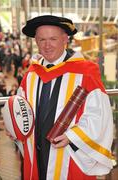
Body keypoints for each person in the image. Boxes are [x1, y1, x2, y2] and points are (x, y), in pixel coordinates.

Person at [9, 15, 113, 180]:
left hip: (69, 153)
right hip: (36, 152)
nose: (47, 45)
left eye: (53, 39)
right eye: (42, 39)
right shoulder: (31, 75)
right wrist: (15, 126)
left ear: (65, 39)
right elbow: (21, 111)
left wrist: (72, 137)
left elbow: (99, 115)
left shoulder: (85, 73)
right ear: (36, 41)